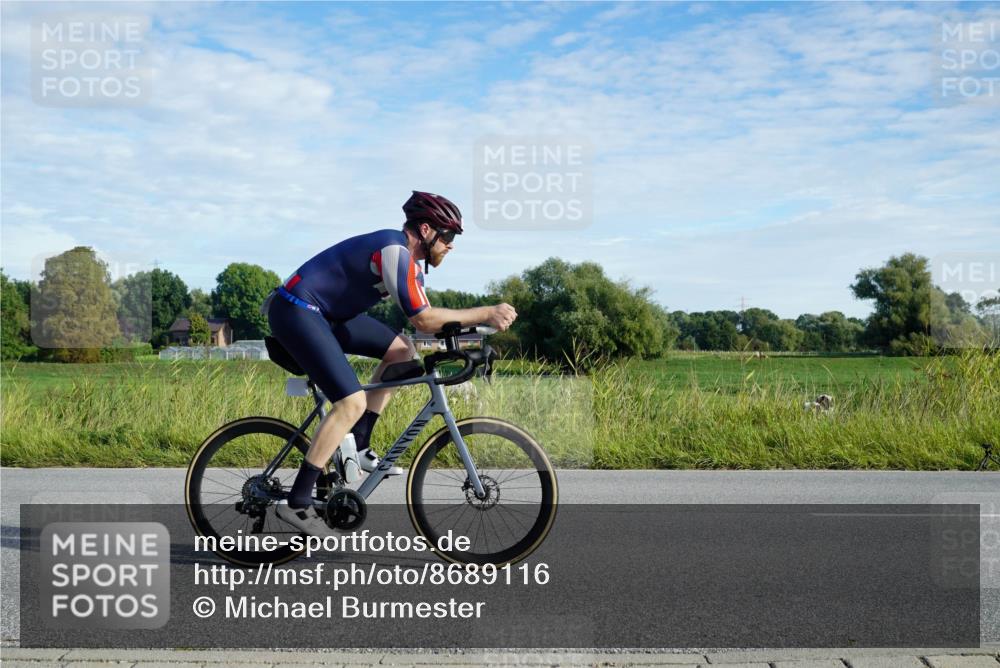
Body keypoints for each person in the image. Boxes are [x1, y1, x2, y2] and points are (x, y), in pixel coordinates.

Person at [266, 191, 517, 535]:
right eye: (448, 236)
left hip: (325, 316)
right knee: (350, 401)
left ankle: (360, 442)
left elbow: (431, 324)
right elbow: (424, 320)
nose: (451, 245)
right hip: (296, 309)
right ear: (426, 230)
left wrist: (474, 336)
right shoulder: (395, 252)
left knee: (402, 352)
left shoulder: (411, 268)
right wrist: (487, 311)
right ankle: (297, 501)